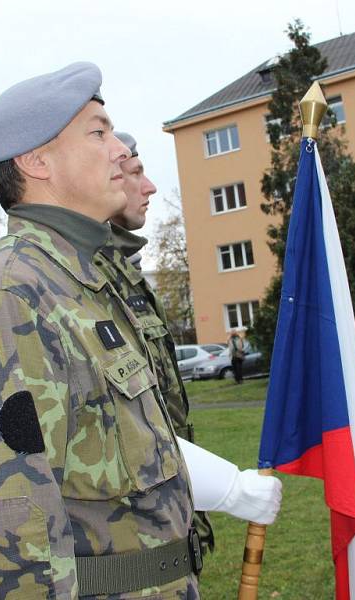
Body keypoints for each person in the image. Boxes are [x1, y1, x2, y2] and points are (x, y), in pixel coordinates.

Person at [0, 63, 281, 599]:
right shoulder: (7, 296)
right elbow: (5, 524)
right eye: (99, 132)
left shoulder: (87, 280)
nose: (120, 148)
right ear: (36, 161)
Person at [109, 131, 222, 553]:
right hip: (133, 535)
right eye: (136, 173)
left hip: (167, 518)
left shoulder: (132, 278)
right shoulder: (89, 282)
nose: (151, 186)